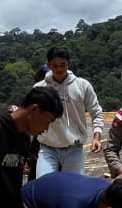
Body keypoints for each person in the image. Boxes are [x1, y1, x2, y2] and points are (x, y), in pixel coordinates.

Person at [34, 47, 105, 176]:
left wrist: (97, 137)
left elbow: (96, 112)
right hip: (47, 148)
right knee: (44, 188)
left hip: (74, 149)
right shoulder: (40, 88)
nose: (59, 69)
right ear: (48, 65)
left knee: (73, 190)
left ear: (70, 64)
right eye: (55, 65)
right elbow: (30, 117)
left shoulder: (83, 85)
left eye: (63, 65)